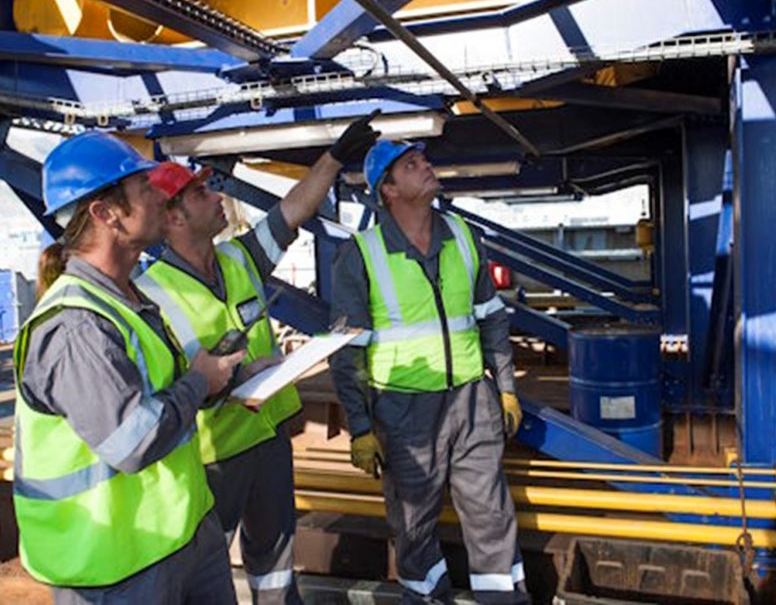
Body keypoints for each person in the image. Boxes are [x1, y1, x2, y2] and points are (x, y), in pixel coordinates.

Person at [135, 112, 380, 604]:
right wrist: (230, 377)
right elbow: (157, 392)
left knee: (275, 566)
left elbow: (292, 210)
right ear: (175, 217)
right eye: (202, 194)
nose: (217, 198)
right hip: (211, 460)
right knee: (199, 568)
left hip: (267, 442)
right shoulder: (150, 297)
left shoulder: (239, 258)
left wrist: (333, 157)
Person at [13, 131, 245, 604]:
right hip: (117, 566)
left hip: (184, 533)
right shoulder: (76, 325)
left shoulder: (129, 297)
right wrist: (201, 379)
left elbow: (165, 394)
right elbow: (132, 441)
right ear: (106, 213)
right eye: (144, 189)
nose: (162, 195)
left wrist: (220, 378)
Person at [329, 139, 528, 604]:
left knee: (492, 515)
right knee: (414, 527)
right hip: (402, 412)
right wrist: (360, 427)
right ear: (389, 190)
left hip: (473, 400)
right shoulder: (362, 254)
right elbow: (347, 351)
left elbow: (492, 316)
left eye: (424, 159)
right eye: (412, 165)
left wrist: (506, 390)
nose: (427, 167)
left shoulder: (461, 235)